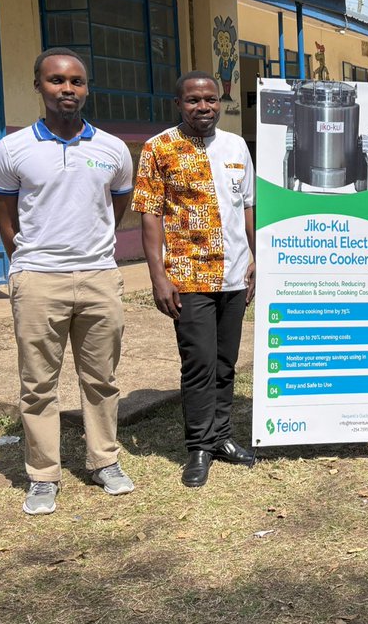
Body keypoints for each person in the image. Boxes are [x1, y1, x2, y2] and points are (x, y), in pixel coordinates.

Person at [0, 47, 135, 515]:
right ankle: (43, 474)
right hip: (38, 281)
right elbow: (6, 218)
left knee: (102, 378)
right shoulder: (11, 150)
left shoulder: (111, 148)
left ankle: (104, 460)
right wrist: (27, 265)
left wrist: (92, 253)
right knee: (38, 384)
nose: (66, 89)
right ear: (38, 86)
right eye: (56, 81)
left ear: (86, 88)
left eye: (76, 81)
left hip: (98, 277)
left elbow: (117, 207)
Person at [133, 71, 257, 488]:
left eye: (210, 99)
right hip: (187, 275)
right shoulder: (158, 148)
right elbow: (149, 215)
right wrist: (158, 277)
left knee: (225, 362)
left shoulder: (237, 145)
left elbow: (247, 205)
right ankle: (199, 446)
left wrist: (254, 257)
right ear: (178, 103)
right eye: (193, 100)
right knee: (198, 364)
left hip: (234, 274)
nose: (203, 107)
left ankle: (222, 436)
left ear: (220, 101)